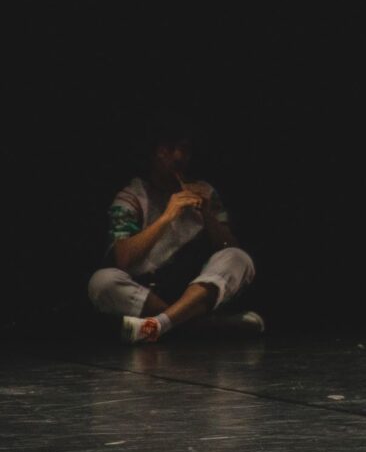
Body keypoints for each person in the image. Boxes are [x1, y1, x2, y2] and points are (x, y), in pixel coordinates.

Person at [87, 124, 261, 344]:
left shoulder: (204, 192)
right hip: (149, 293)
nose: (178, 156)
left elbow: (228, 245)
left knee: (239, 258)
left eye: (185, 149)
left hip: (195, 290)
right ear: (153, 152)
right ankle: (194, 325)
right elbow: (123, 258)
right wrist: (167, 216)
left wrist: (207, 215)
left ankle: (158, 326)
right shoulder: (132, 197)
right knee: (101, 282)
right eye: (168, 149)